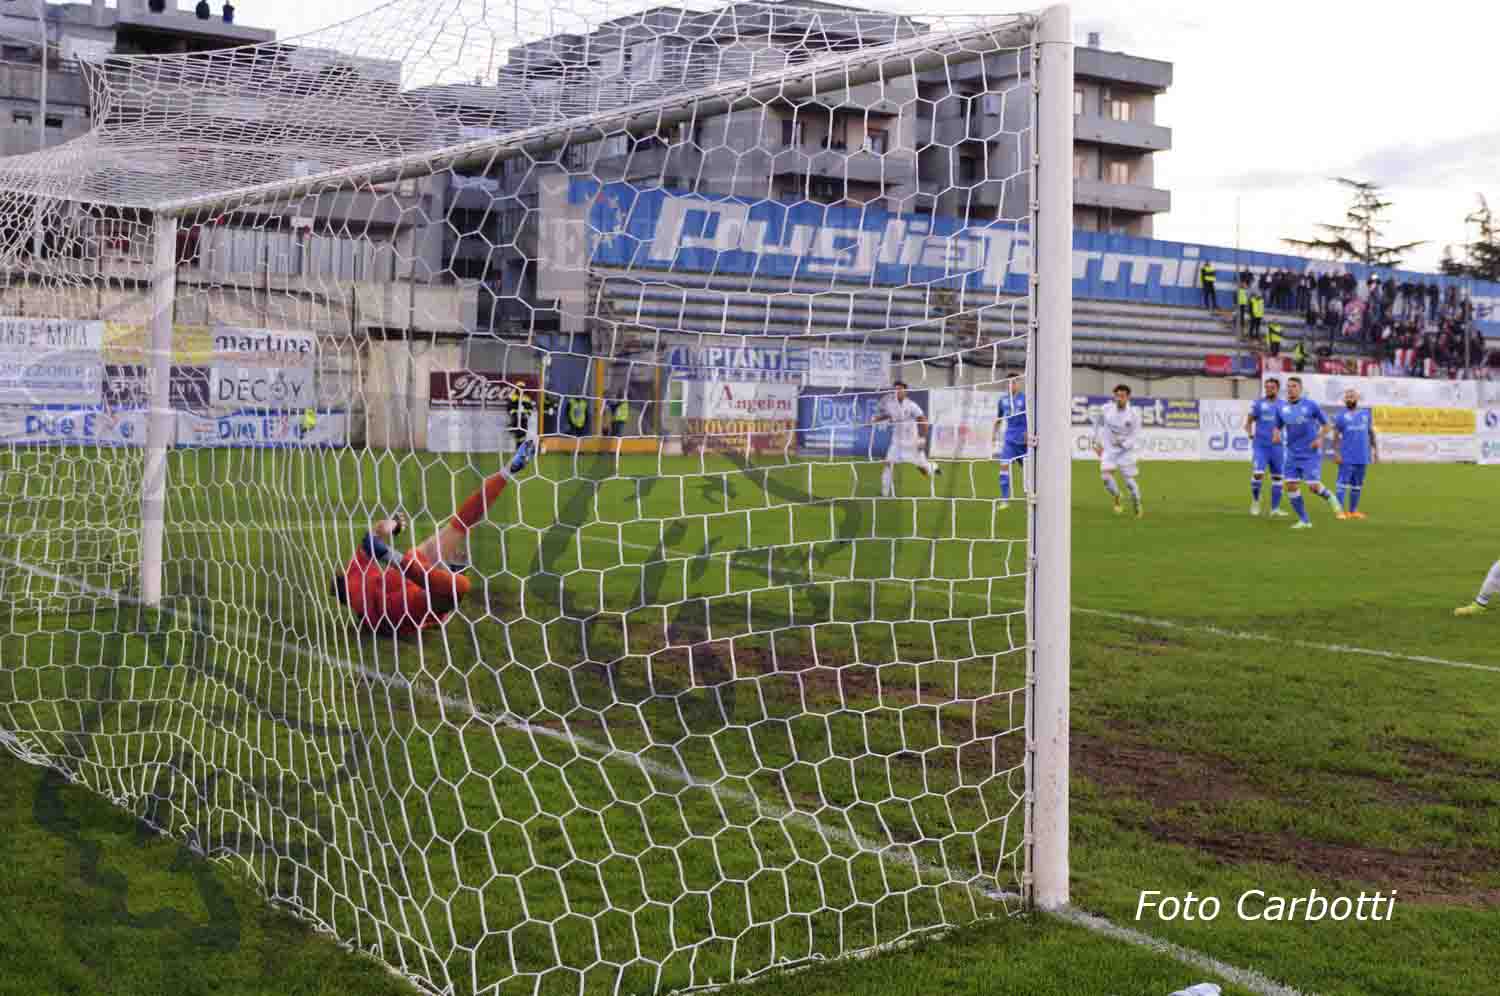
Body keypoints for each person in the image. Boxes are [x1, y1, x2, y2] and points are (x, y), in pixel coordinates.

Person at [332, 441, 536, 635]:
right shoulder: (355, 574)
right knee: (455, 539)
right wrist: (391, 526)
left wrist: (390, 527)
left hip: (400, 602)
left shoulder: (358, 583)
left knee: (454, 579)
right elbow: (371, 538)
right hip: (398, 606)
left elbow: (372, 538)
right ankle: (506, 472)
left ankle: (507, 472)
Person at [1273, 376, 1343, 529]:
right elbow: (1277, 425)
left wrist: (1319, 438)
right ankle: (1304, 520)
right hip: (1292, 453)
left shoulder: (1311, 405)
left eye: (1294, 386)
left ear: (1300, 389)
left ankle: (1331, 498)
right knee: (1290, 485)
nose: (1291, 389)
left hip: (1310, 453)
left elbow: (1327, 425)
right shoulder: (1282, 408)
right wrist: (1276, 433)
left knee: (1313, 487)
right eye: (1289, 386)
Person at [873, 380, 939, 497]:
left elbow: (923, 420)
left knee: (923, 469)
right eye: (895, 389)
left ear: (905, 391)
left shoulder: (912, 406)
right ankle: (884, 493)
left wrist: (922, 439)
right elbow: (888, 415)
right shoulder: (891, 405)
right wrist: (876, 419)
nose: (897, 391)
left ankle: (933, 467)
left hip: (912, 443)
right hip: (896, 443)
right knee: (888, 464)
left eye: (900, 389)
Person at [1092, 384, 1143, 518]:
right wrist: (1096, 442)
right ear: (1114, 396)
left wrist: (1124, 444)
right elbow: (1097, 424)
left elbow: (1135, 434)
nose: (1120, 398)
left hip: (1125, 452)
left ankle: (1137, 503)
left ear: (1128, 397)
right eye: (1117, 396)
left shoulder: (1133, 414)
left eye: (1122, 396)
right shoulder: (1106, 409)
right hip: (1109, 449)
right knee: (1105, 478)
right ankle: (1117, 496)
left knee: (1130, 483)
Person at [1244, 378, 1288, 518]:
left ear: (1277, 389)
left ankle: (1275, 509)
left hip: (1277, 447)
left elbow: (1291, 424)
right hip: (1261, 446)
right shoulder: (1258, 404)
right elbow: (1248, 422)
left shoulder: (1284, 405)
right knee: (1258, 473)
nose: (1269, 389)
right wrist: (1250, 433)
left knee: (1277, 478)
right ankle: (1256, 501)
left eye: (1272, 387)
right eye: (1267, 387)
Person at [1332, 388, 1377, 520]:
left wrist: (1375, 451)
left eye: (1352, 396)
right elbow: (1335, 436)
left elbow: (1371, 432)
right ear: (1344, 400)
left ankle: (1353, 511)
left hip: (1362, 456)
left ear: (1357, 399)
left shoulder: (1365, 414)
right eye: (1347, 397)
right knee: (1342, 484)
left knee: (1357, 485)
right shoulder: (1340, 416)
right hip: (1346, 456)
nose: (1350, 398)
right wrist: (1336, 453)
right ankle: (1339, 511)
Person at [992, 380, 1028, 509]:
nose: (1011, 385)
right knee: (1003, 467)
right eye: (1009, 383)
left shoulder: (1026, 399)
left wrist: (1029, 432)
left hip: (1024, 441)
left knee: (1029, 472)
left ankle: (1028, 499)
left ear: (1019, 384)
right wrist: (994, 434)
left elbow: (1033, 417)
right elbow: (999, 418)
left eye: (1014, 383)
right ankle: (1005, 499)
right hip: (1009, 440)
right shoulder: (1003, 400)